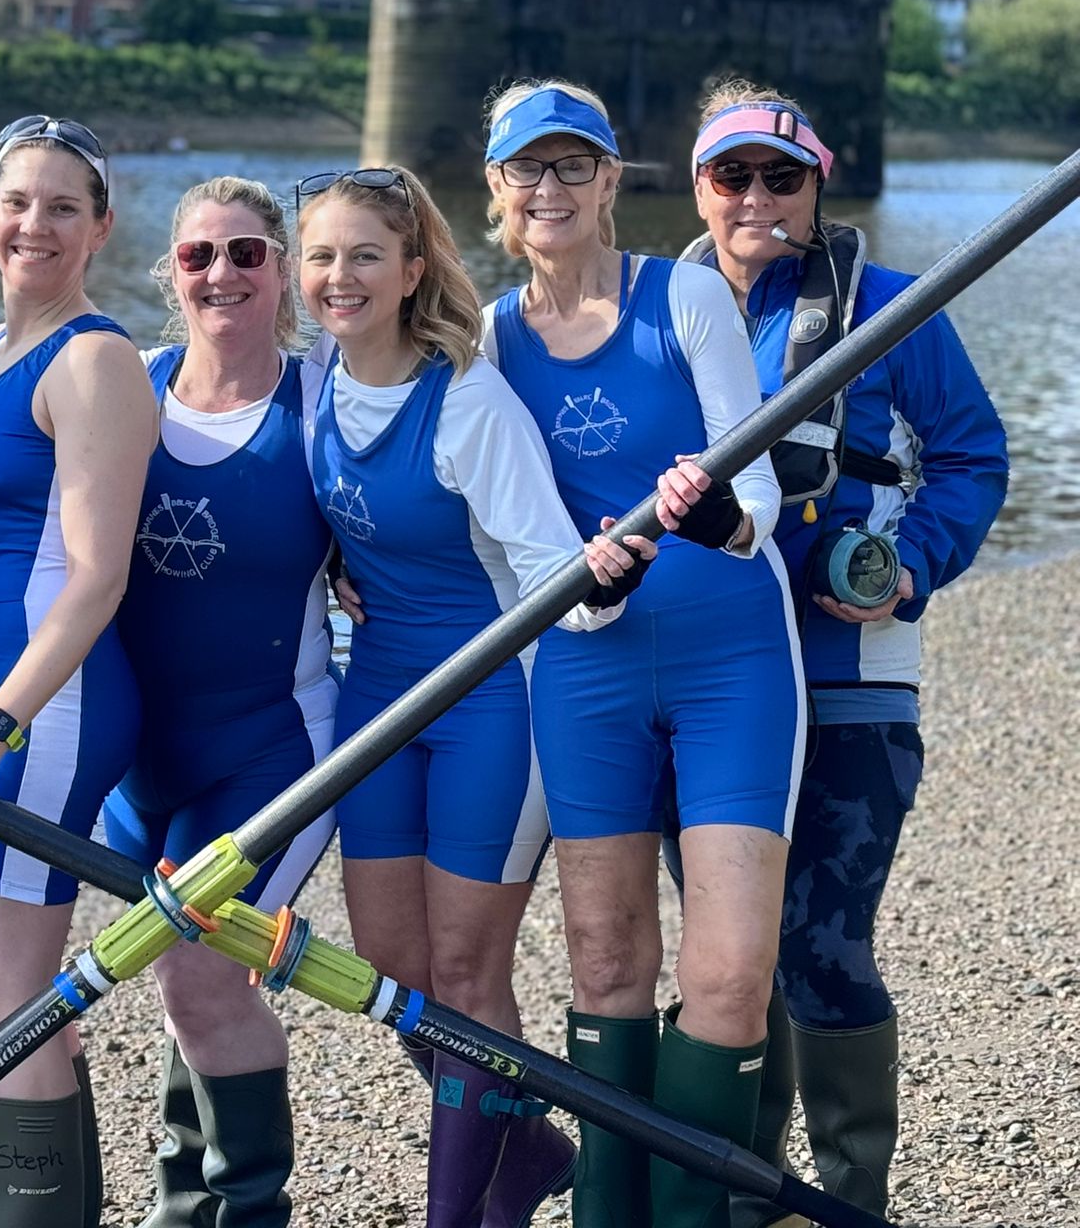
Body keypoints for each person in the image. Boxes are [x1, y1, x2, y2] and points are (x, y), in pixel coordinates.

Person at [296, 166, 652, 1228]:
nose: (339, 276)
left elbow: (556, 575)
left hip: (493, 701)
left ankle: (458, 1216)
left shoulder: (466, 399)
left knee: (462, 969)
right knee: (390, 964)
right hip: (378, 698)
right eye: (320, 256)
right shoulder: (310, 379)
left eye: (365, 255)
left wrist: (614, 581)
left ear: (413, 270)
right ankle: (531, 1146)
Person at [477, 80, 804, 1228]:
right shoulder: (485, 340)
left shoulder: (685, 298)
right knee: (604, 967)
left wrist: (713, 515)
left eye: (574, 167)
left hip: (729, 660)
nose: (550, 189)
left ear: (612, 181)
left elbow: (753, 483)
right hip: (585, 662)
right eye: (527, 170)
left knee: (724, 976)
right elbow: (496, 538)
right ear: (496, 192)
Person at [679, 82, 1007, 1224]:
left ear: (817, 186)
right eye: (732, 176)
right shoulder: (655, 315)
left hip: (847, 672)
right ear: (696, 186)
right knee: (731, 956)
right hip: (707, 681)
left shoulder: (892, 308)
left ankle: (849, 1193)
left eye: (783, 177)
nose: (757, 199)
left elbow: (969, 458)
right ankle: (746, 1195)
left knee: (822, 944)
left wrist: (907, 559)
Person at [0, 116, 157, 1225]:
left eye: (63, 207)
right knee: (15, 996)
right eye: (17, 202)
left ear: (98, 228)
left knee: (9, 999)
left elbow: (95, 581)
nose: (34, 224)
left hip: (43, 716)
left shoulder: (92, 360)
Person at [101, 176, 337, 1228]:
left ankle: (243, 1212)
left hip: (271, 750)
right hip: (135, 765)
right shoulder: (127, 385)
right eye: (197, 255)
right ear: (170, 273)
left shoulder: (321, 395)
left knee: (196, 976)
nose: (221, 274)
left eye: (246, 253)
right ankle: (180, 1206)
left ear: (282, 271)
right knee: (181, 980)